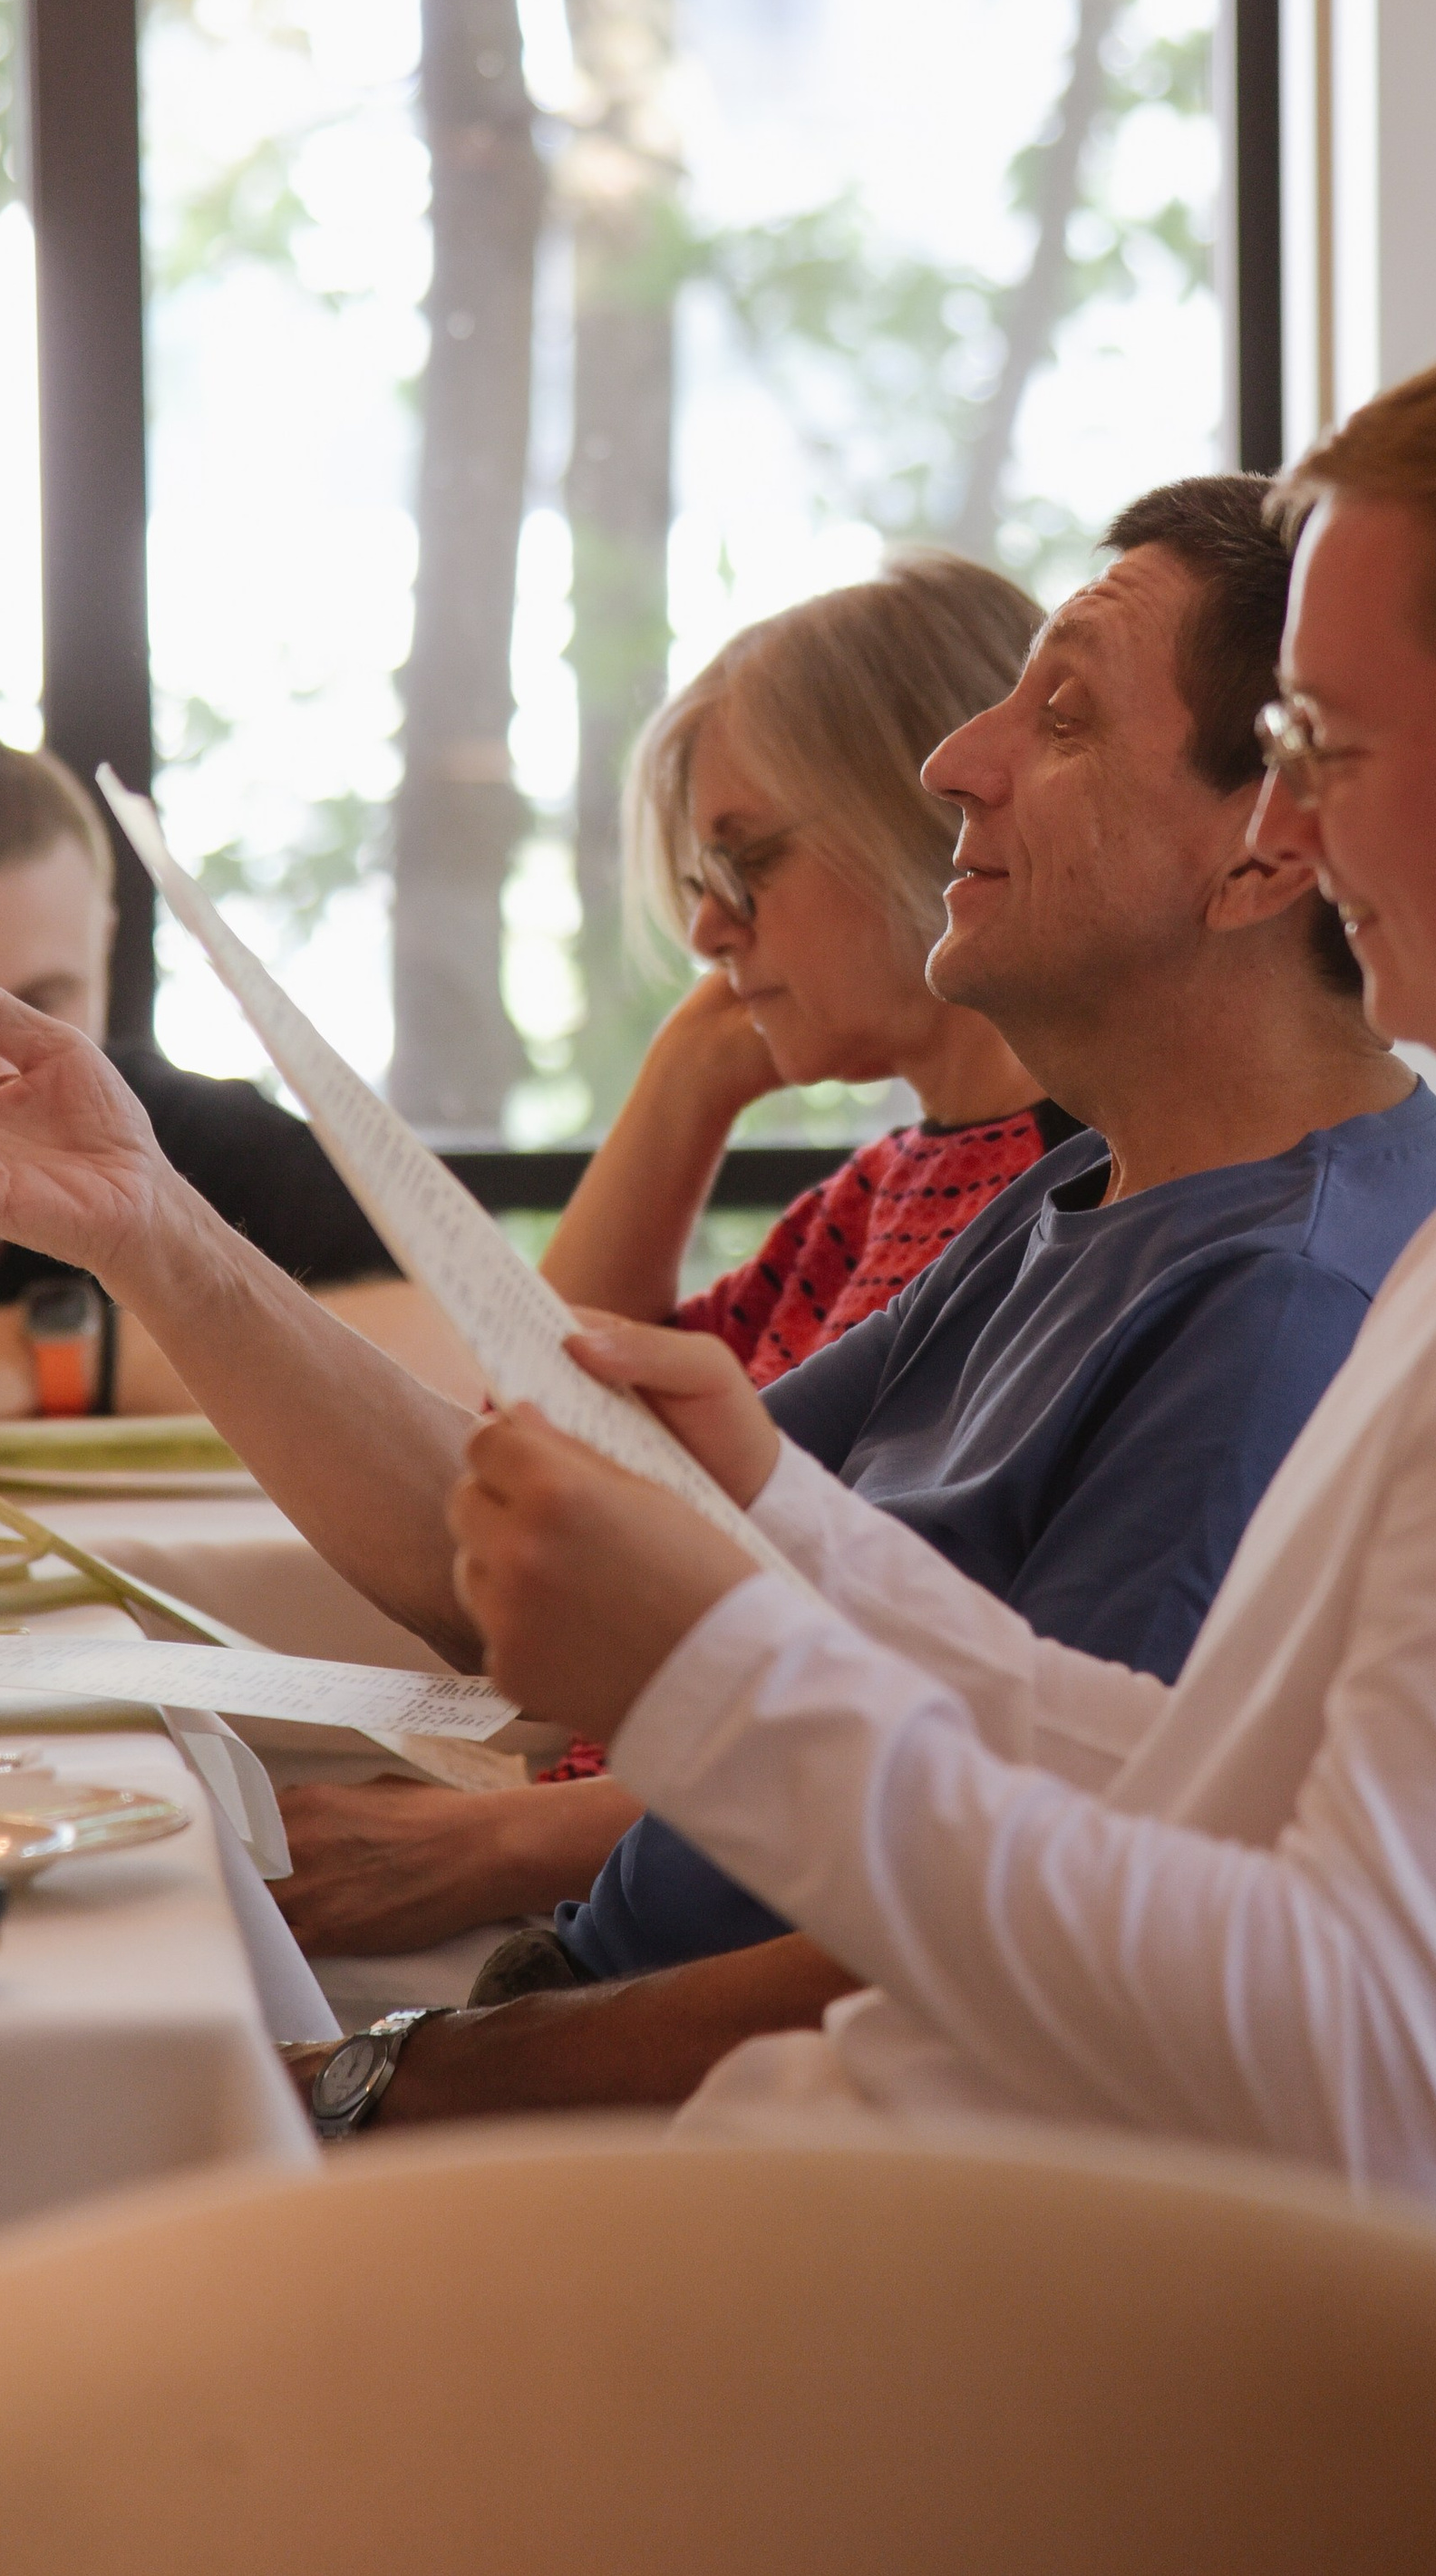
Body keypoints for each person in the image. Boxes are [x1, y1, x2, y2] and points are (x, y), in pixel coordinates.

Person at [403, 298, 1436, 2203]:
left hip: (1004, 2306)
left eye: (1326, 743)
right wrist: (785, 1531)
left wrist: (719, 1681)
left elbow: (1372, 2087)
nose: (1288, 827)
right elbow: (1214, 1776)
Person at [0, 470, 1436, 2077]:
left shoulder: (1274, 1306)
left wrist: (401, 2084)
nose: (957, 762)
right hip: (593, 1981)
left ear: (1269, 845)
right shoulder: (1094, 1191)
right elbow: (512, 1548)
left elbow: (1042, 1953)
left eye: (1063, 713)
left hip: (720, 2108)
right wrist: (145, 1232)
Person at [277, 553, 1067, 1954]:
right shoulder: (879, 1187)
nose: (708, 928)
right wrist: (681, 1085)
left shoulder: (1070, 1206)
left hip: (703, 1920)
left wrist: (491, 1844)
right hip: (614, 1874)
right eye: (701, 880)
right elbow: (550, 1441)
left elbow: (940, 1738)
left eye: (745, 862)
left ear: (934, 816)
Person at [0, 728, 471, 1470]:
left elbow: (468, 1358)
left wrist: (41, 1356)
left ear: (105, 943)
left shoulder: (199, 1139)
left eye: (40, 1001)